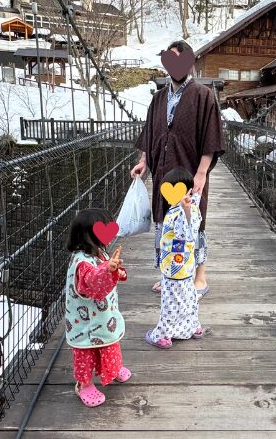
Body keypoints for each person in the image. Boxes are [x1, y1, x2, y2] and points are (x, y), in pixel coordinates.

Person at [131, 40, 225, 298]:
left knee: (193, 223)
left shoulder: (203, 95)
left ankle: (199, 277)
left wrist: (202, 173)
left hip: (190, 174)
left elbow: (211, 137)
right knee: (165, 224)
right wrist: (143, 161)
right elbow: (151, 133)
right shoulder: (158, 98)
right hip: (163, 173)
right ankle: (169, 274)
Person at [63, 208, 131, 407]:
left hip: (103, 316)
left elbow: (105, 271)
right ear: (91, 235)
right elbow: (92, 283)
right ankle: (83, 384)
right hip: (85, 322)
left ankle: (112, 368)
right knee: (85, 351)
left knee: (110, 342)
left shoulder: (98, 253)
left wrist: (114, 268)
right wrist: (107, 270)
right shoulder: (82, 262)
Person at [145, 168, 207, 349]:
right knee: (188, 297)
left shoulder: (182, 211)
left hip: (174, 268)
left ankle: (163, 335)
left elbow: (184, 234)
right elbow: (194, 202)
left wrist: (185, 211)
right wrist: (192, 198)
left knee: (170, 302)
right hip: (186, 267)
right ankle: (193, 326)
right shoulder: (192, 205)